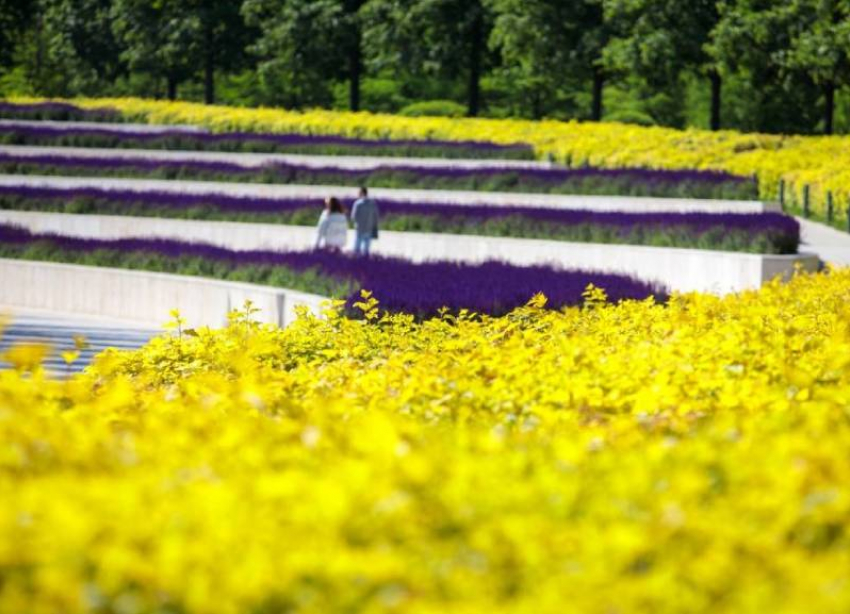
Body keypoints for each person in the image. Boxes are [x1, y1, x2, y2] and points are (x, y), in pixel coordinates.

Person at [351, 186, 379, 256]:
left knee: (357, 247)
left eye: (359, 192)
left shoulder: (358, 203)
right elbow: (376, 216)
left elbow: (353, 217)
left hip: (360, 228)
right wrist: (373, 225)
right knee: (366, 248)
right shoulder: (372, 203)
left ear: (362, 193)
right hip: (369, 228)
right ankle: (365, 260)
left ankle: (356, 261)